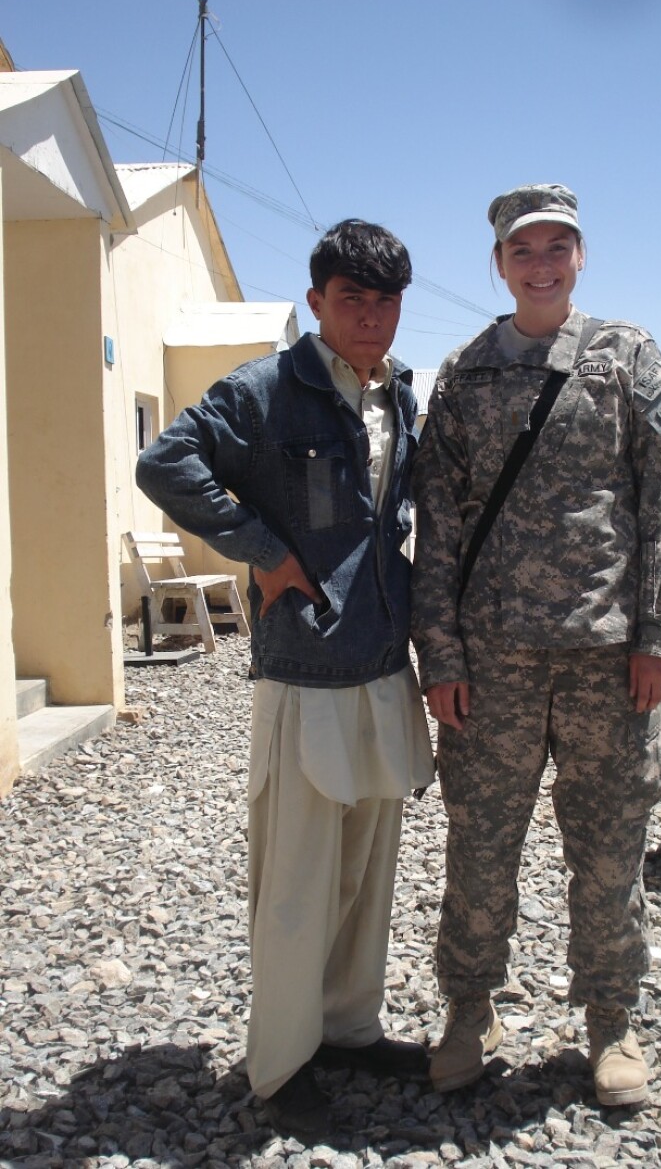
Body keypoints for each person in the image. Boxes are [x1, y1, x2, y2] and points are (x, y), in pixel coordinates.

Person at [136, 219, 435, 1138]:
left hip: (383, 662)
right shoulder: (267, 388)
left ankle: (348, 1028)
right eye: (354, 299)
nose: (372, 319)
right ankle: (282, 1063)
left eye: (386, 302)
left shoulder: (398, 396)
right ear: (316, 302)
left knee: (367, 869)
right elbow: (165, 462)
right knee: (299, 881)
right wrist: (263, 553)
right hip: (305, 669)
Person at [410, 184, 661, 1107]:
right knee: (481, 846)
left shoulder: (626, 358)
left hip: (610, 663)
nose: (541, 263)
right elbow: (442, 527)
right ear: (498, 263)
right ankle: (469, 1009)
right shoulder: (464, 374)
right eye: (523, 249)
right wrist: (443, 656)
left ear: (581, 257)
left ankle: (611, 1020)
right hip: (493, 665)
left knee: (611, 852)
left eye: (557, 247)